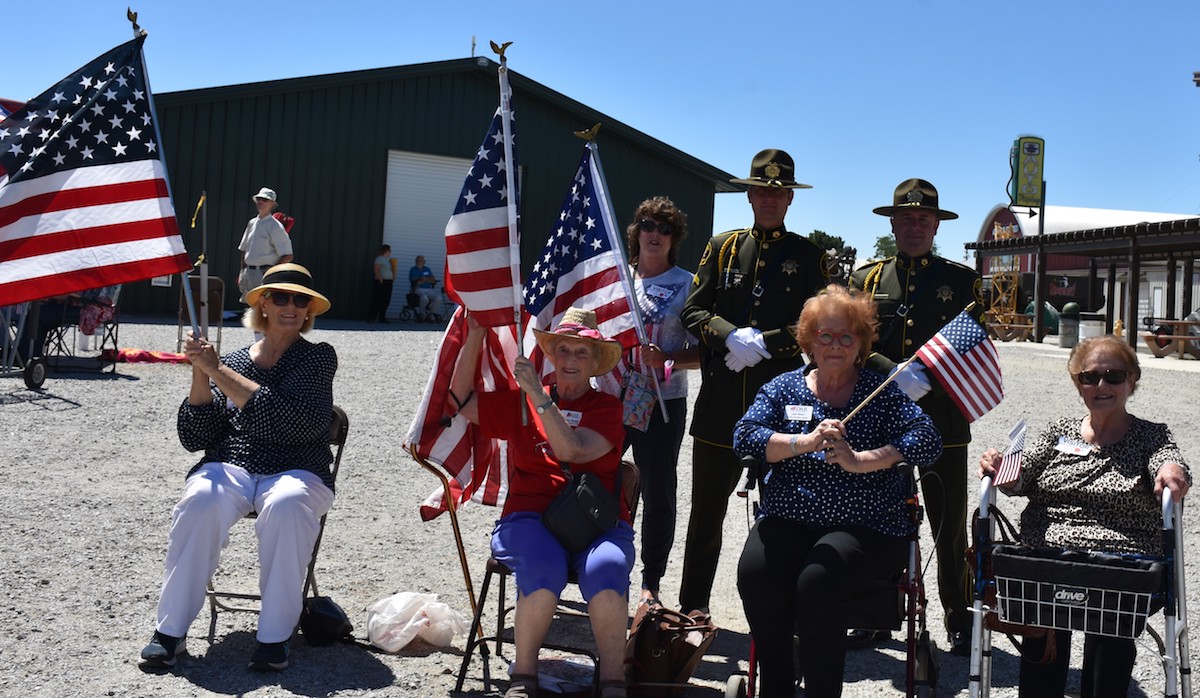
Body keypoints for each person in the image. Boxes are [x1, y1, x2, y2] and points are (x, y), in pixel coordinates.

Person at [734, 285, 942, 697]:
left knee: (819, 578)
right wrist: (803, 442)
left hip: (866, 524)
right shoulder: (783, 388)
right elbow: (745, 436)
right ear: (809, 340)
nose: (835, 345)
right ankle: (777, 686)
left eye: (847, 336)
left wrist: (862, 459)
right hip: (790, 517)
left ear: (862, 343)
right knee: (756, 574)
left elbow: (928, 439)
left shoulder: (880, 392)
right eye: (825, 335)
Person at [138, 263, 336, 673]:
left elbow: (294, 424)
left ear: (309, 310)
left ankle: (275, 636)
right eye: (280, 296)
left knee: (286, 505)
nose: (291, 306)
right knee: (199, 500)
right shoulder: (228, 361)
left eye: (301, 300)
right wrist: (200, 374)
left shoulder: (318, 358)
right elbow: (195, 436)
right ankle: (169, 632)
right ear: (262, 302)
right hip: (232, 462)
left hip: (299, 467)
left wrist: (217, 372)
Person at [978, 335, 1189, 698]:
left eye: (1113, 375)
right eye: (1090, 377)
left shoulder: (1150, 436)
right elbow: (1022, 477)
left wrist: (1172, 470)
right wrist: (1002, 469)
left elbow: (1168, 459)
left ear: (1132, 380)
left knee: (1112, 620)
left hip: (1118, 562)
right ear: (1078, 384)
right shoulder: (1059, 432)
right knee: (1038, 610)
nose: (1101, 385)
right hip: (1047, 556)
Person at [448, 307, 633, 698]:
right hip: (528, 516)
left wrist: (536, 394)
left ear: (595, 362)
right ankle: (524, 677)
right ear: (551, 354)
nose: (570, 360)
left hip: (595, 521)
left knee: (608, 566)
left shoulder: (607, 408)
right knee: (542, 564)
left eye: (581, 352)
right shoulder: (521, 403)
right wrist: (477, 334)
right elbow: (460, 400)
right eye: (563, 349)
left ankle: (615, 681)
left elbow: (572, 450)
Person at [678, 148, 829, 617]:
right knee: (705, 517)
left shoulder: (808, 256)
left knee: (787, 515)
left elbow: (817, 324)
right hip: (721, 403)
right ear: (749, 194)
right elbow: (692, 310)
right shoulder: (722, 246)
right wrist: (729, 336)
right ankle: (692, 610)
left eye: (778, 191)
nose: (769, 197)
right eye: (761, 189)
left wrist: (764, 343)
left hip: (781, 406)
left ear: (789, 199)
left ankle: (784, 616)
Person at [848, 178, 984, 655]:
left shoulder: (963, 281)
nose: (914, 226)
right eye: (906, 218)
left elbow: (973, 340)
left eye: (923, 219)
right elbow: (853, 340)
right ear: (892, 222)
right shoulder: (865, 280)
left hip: (944, 420)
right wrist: (893, 371)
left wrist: (926, 372)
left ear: (936, 225)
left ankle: (958, 614)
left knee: (948, 523)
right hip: (884, 418)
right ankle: (874, 614)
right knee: (876, 515)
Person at [595, 197, 700, 608]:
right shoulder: (614, 281)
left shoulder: (689, 285)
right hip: (611, 396)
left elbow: (704, 352)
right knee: (597, 478)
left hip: (662, 401)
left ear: (674, 239)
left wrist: (669, 359)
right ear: (635, 231)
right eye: (647, 224)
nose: (654, 233)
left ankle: (650, 583)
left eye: (664, 228)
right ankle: (595, 565)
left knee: (658, 492)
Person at [237, 187, 294, 303]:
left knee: (266, 307)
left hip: (264, 274)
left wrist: (271, 273)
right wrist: (242, 272)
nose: (260, 202)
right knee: (252, 308)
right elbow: (244, 249)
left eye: (265, 200)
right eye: (259, 199)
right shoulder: (252, 223)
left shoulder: (275, 227)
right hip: (249, 273)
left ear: (272, 204)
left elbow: (288, 255)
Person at [408, 255, 442, 322]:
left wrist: (423, 279)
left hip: (428, 289)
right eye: (418, 260)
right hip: (417, 289)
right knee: (424, 298)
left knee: (438, 298)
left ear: (424, 262)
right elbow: (416, 282)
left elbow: (433, 280)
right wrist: (427, 279)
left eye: (421, 260)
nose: (420, 262)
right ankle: (422, 314)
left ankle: (431, 314)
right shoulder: (413, 270)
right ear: (416, 261)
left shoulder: (427, 269)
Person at [369, 244, 397, 323]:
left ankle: (382, 317)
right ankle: (371, 317)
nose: (390, 252)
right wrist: (380, 279)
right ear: (386, 251)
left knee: (386, 300)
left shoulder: (387, 260)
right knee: (378, 299)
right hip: (382, 281)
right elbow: (376, 269)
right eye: (389, 250)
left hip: (388, 281)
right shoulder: (379, 259)